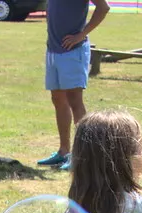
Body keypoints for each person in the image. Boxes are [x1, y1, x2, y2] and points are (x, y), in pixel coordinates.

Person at [37, 0, 110, 172]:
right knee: (57, 99)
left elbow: (103, 8)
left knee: (74, 101)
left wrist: (81, 35)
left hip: (73, 50)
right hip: (53, 50)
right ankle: (64, 151)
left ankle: (82, 156)